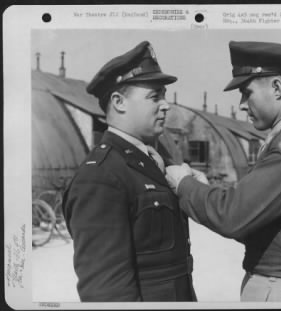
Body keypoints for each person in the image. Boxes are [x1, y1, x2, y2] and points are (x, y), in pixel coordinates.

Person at [165, 41, 281, 302]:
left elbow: (234, 216)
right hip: (278, 283)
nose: (243, 104)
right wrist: (203, 190)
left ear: (277, 88)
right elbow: (253, 220)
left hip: (279, 287)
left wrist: (184, 185)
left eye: (247, 92)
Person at [62, 41, 196, 302]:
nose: (166, 105)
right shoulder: (100, 177)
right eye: (154, 96)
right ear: (119, 102)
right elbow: (106, 292)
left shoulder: (152, 160)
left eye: (164, 95)